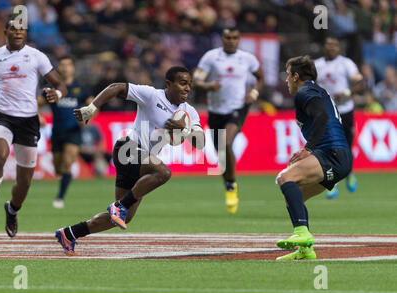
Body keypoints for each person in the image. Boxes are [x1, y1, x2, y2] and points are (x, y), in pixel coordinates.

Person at [54, 66, 205, 255]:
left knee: (122, 218)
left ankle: (69, 233)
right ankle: (120, 206)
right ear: (168, 84)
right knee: (163, 173)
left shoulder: (189, 111)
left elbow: (200, 142)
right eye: (183, 83)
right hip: (127, 148)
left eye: (189, 84)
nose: (187, 88)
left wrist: (186, 130)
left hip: (139, 160)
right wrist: (92, 108)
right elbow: (117, 87)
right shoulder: (152, 95)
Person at [0, 14, 67, 237]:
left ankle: (12, 210)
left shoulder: (36, 56)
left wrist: (56, 94)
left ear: (26, 33)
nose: (18, 32)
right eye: (14, 29)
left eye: (22, 29)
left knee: (24, 181)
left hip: (28, 121)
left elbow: (60, 84)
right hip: (2, 116)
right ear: (6, 32)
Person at [275, 55, 352, 260]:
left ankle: (301, 233)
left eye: (287, 74)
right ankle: (305, 250)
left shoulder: (305, 91)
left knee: (284, 178)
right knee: (293, 196)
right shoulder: (317, 90)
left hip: (330, 154)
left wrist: (309, 148)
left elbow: (321, 116)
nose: (286, 80)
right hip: (340, 157)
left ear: (296, 76)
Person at [193, 26, 264, 215]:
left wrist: (254, 93)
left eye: (234, 37)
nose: (231, 41)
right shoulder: (211, 57)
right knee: (221, 152)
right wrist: (208, 85)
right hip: (216, 111)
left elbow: (260, 77)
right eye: (227, 38)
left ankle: (232, 187)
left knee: (227, 142)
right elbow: (196, 79)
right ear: (222, 39)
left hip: (238, 107)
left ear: (238, 39)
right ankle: (229, 184)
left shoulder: (247, 59)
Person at [38, 56, 93, 209]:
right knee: (58, 168)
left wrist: (87, 116)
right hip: (57, 132)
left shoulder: (80, 88)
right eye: (62, 65)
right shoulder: (52, 88)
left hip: (73, 131)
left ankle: (60, 198)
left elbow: (93, 104)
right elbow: (37, 103)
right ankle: (63, 180)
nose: (65, 68)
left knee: (68, 163)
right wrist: (39, 116)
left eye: (68, 65)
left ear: (73, 68)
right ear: (59, 69)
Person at [314, 37, 363, 199]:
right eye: (329, 45)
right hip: (327, 112)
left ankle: (348, 172)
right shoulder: (317, 65)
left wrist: (347, 93)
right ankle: (333, 182)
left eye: (335, 45)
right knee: (330, 148)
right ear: (324, 47)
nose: (332, 48)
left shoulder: (346, 63)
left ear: (339, 48)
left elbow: (360, 83)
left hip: (345, 110)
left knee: (346, 147)